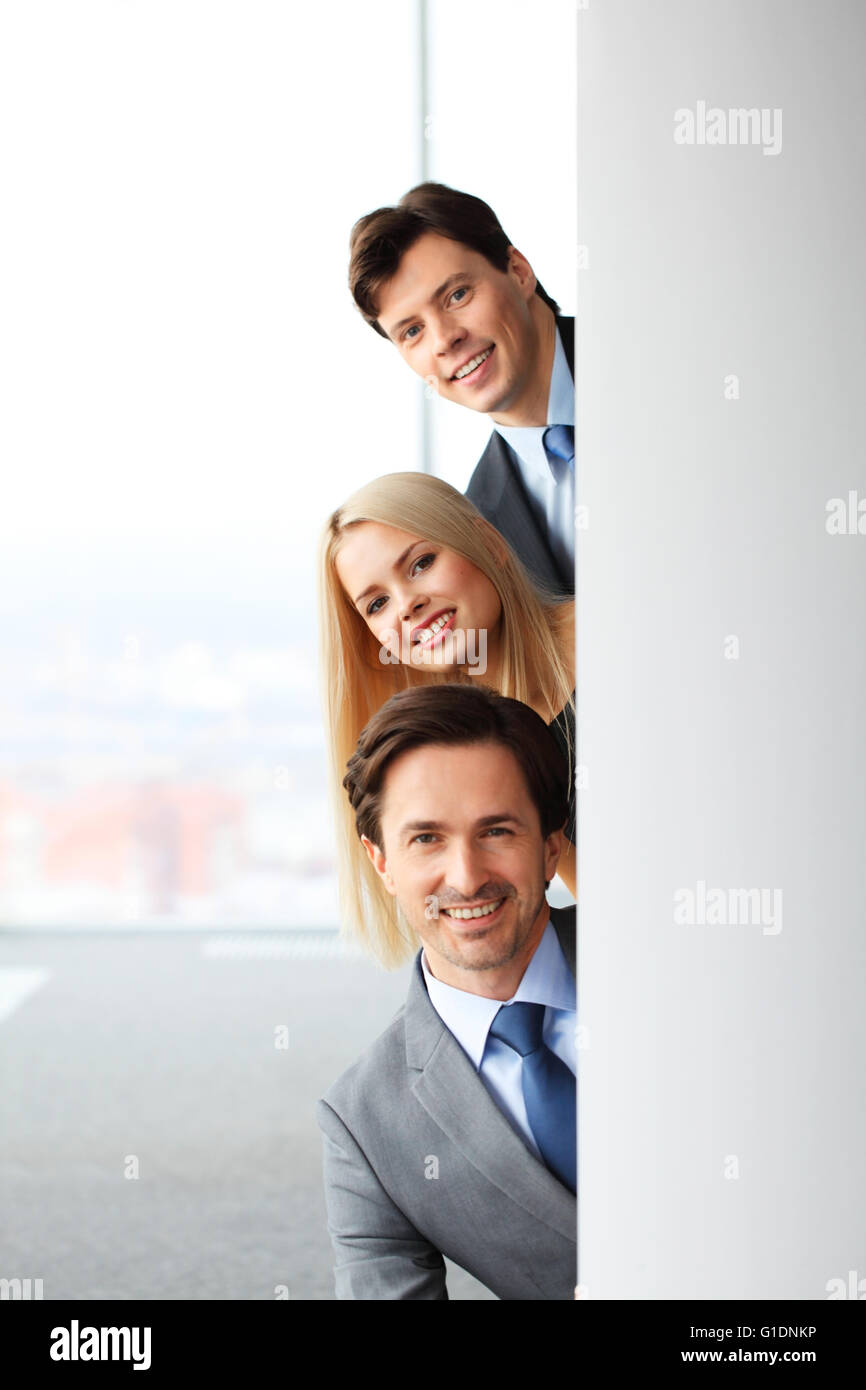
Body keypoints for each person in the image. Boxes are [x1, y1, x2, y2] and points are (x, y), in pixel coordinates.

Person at [318, 683, 576, 1300]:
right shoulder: (363, 1122)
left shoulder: (669, 968)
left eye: (496, 831)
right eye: (426, 838)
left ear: (550, 845)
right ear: (380, 862)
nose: (466, 877)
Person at [318, 471, 575, 959]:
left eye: (421, 564)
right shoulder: (490, 754)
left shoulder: (614, 635)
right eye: (376, 603)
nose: (408, 605)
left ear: (490, 543)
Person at [348, 182, 574, 597]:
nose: (443, 340)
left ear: (519, 271)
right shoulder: (481, 526)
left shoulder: (660, 355)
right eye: (413, 331)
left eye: (456, 295)